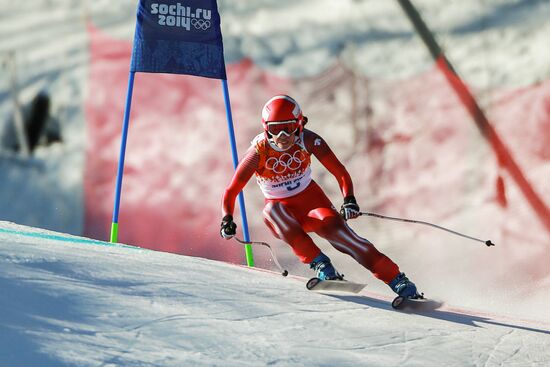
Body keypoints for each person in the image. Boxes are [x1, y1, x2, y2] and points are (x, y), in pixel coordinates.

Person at [220, 95, 418, 298]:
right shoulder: (258, 152)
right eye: (274, 129)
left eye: (287, 128)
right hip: (283, 214)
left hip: (313, 204)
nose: (281, 136)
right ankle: (322, 266)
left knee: (345, 237)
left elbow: (340, 172)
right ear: (265, 128)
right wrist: (227, 219)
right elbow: (231, 191)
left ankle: (399, 281)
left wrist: (349, 199)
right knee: (271, 211)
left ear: (298, 124)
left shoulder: (308, 140)